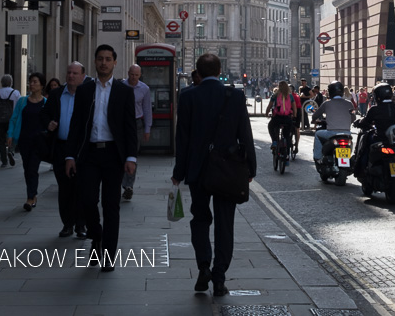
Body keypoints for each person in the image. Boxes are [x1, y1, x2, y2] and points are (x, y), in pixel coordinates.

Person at [173, 53, 256, 297]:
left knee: (199, 220)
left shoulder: (188, 96)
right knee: (224, 224)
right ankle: (219, 277)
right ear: (220, 70)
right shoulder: (235, 96)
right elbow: (245, 134)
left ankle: (203, 267)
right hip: (227, 171)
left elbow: (182, 138)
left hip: (198, 171)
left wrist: (179, 172)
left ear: (197, 71)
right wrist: (250, 167)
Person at [65, 45, 138, 272]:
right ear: (95, 62)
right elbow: (76, 124)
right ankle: (96, 238)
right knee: (87, 201)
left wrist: (131, 157)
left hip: (113, 155)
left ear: (115, 63)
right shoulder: (85, 90)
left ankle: (108, 255)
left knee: (111, 205)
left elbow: (130, 127)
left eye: (108, 59)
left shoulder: (124, 91)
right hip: (89, 154)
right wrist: (69, 155)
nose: (104, 63)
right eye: (100, 59)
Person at [44, 62, 87, 238]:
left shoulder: (87, 95)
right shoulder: (56, 95)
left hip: (81, 148)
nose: (71, 76)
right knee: (64, 187)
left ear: (82, 76)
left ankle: (81, 225)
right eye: (69, 72)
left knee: (81, 187)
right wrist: (49, 124)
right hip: (61, 147)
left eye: (75, 73)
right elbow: (44, 115)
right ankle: (67, 224)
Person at [7, 72, 48, 212]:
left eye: (35, 82)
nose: (32, 84)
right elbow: (14, 118)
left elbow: (49, 122)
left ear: (42, 85)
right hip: (24, 140)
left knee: (32, 169)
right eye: (31, 82)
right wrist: (10, 134)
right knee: (27, 169)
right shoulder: (22, 101)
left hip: (39, 142)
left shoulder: (45, 103)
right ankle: (33, 195)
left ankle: (30, 198)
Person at [353, 83, 395, 172]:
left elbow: (366, 121)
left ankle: (360, 168)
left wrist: (359, 123)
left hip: (379, 138)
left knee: (365, 142)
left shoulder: (375, 109)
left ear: (377, 96)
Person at [122, 64, 153, 201]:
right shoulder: (121, 86)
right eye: (132, 74)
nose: (133, 77)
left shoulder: (144, 89)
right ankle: (123, 182)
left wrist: (147, 129)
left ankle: (129, 186)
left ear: (140, 75)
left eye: (136, 75)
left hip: (137, 124)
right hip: (122, 123)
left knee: (132, 155)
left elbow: (147, 109)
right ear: (128, 73)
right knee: (121, 154)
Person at [311, 81, 355, 161]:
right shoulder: (349, 104)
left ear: (330, 92)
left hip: (331, 133)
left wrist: (314, 119)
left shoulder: (326, 103)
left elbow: (315, 115)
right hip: (347, 134)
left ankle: (317, 157)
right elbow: (353, 117)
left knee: (317, 134)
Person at [266, 81, 301, 156]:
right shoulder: (290, 96)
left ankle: (274, 141)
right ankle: (287, 156)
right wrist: (294, 115)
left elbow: (269, 106)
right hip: (287, 118)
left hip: (277, 117)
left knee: (270, 126)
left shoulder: (275, 95)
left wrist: (266, 113)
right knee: (287, 136)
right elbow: (294, 108)